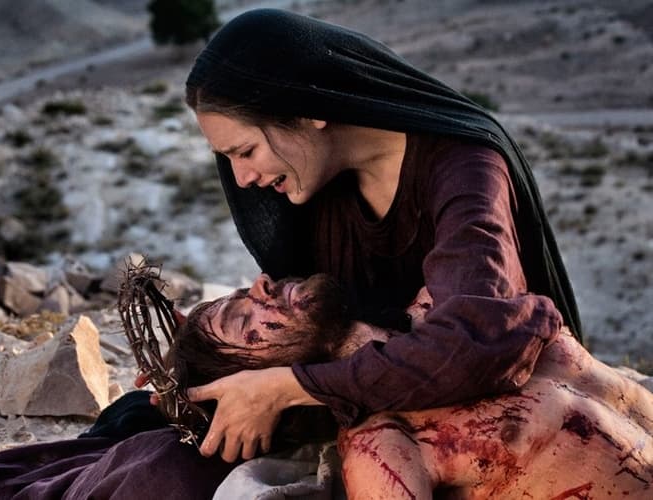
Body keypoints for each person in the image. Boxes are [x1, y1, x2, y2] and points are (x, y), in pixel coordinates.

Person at [182, 7, 583, 464]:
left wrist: (287, 388)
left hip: (510, 445)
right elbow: (311, 333)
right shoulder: (315, 183)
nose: (242, 178)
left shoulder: (464, 169)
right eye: (227, 159)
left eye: (246, 151)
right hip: (385, 427)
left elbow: (474, 342)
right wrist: (191, 374)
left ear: (310, 110)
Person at [168, 273, 652, 498]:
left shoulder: (443, 303)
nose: (261, 285)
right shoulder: (382, 445)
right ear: (254, 385)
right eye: (240, 317)